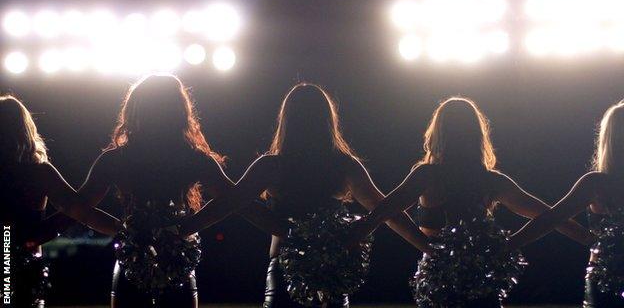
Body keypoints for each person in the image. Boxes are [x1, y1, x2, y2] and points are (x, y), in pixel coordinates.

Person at [180, 83, 431, 307]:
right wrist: (428, 247)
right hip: (331, 269)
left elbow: (233, 201)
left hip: (290, 268)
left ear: (286, 120)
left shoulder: (273, 166)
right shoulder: (343, 165)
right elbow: (384, 209)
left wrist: (181, 229)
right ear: (327, 121)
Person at [348, 97, 594, 307]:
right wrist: (588, 238)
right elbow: (548, 215)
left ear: (438, 132)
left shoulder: (427, 175)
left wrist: (427, 247)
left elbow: (386, 212)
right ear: (478, 134)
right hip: (478, 280)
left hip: (443, 281)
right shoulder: (489, 181)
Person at [72, 74, 284, 308]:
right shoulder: (192, 159)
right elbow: (230, 199)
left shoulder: (116, 159)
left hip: (135, 263)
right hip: (176, 262)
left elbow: (79, 207)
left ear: (134, 110)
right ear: (179, 111)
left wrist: (124, 230)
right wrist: (184, 228)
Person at [0, 95, 122, 307]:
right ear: (24, 129)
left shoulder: (38, 173)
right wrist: (125, 230)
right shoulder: (38, 173)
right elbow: (78, 209)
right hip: (20, 267)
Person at [509, 101, 624, 308]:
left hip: (606, 279)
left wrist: (507, 245)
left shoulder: (595, 184)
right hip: (606, 280)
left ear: (608, 138)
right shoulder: (595, 184)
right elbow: (551, 219)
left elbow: (550, 219)